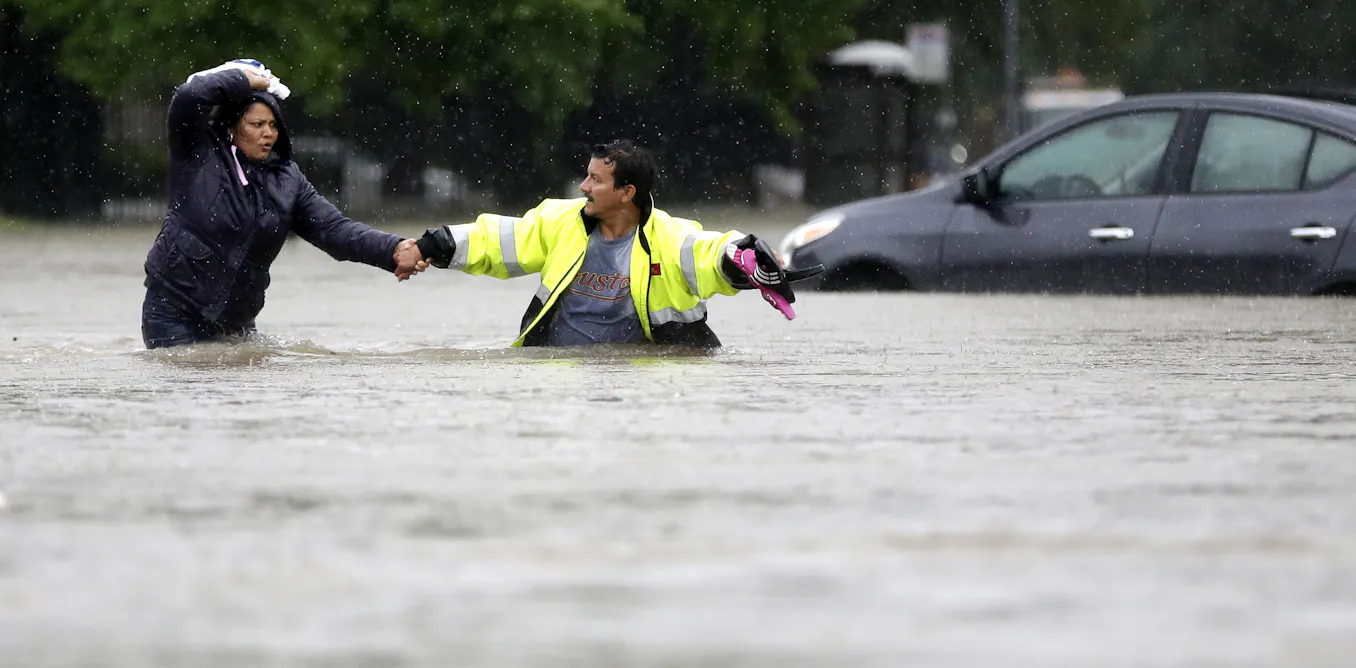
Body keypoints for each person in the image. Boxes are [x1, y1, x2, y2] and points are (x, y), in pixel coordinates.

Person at [396, 139, 820, 348]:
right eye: (586, 176)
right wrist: (431, 245)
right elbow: (498, 237)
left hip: (643, 386)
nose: (582, 186)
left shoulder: (669, 238)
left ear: (627, 193)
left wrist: (744, 257)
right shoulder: (560, 221)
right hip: (561, 386)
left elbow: (709, 251)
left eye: (595, 180)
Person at [140, 59, 423, 349]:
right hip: (174, 311)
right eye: (257, 124)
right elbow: (190, 95)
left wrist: (393, 249)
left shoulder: (289, 180)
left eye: (273, 125)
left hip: (235, 319)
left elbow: (336, 231)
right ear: (231, 126)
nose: (268, 133)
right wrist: (247, 80)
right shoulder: (196, 151)